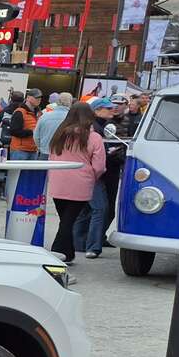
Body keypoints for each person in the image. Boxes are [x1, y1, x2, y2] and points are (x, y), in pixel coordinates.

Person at [46, 102, 106, 265]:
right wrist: (92, 176)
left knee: (65, 219)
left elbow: (51, 156)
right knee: (68, 220)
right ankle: (57, 252)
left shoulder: (59, 135)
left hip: (57, 180)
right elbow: (99, 166)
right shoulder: (94, 137)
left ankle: (68, 252)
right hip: (81, 182)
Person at [73, 98, 120, 259]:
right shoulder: (93, 131)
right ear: (96, 110)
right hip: (93, 175)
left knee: (86, 210)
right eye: (108, 108)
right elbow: (96, 158)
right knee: (100, 209)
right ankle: (92, 246)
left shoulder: (96, 127)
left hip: (87, 174)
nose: (112, 110)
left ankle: (79, 243)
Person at [7, 88, 43, 160]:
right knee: (17, 168)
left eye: (40, 98)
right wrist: (32, 132)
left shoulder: (39, 113)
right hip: (20, 150)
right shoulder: (19, 112)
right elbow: (13, 131)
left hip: (33, 150)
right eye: (36, 97)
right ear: (28, 97)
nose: (39, 99)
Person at [34, 93, 72, 161]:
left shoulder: (44, 116)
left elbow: (36, 136)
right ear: (70, 103)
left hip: (44, 153)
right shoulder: (73, 119)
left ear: (57, 102)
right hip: (63, 155)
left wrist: (41, 148)